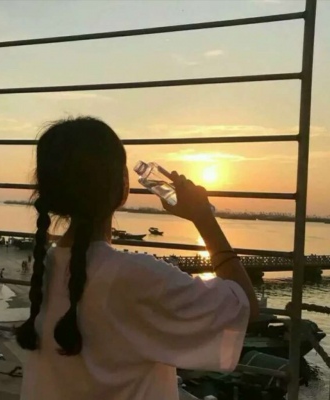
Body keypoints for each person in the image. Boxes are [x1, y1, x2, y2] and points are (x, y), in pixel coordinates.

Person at [16, 117, 259, 400]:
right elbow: (244, 305)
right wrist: (203, 217)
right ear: (119, 185)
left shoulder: (47, 265)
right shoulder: (135, 276)